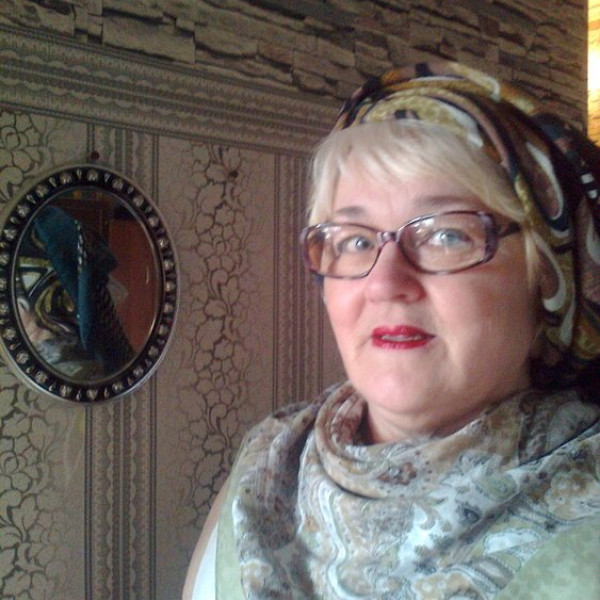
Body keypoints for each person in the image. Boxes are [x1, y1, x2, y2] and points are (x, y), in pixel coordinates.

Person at [184, 61, 600, 600]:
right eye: (355, 241)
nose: (384, 283)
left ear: (547, 278)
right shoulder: (263, 466)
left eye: (446, 235)